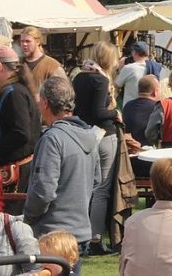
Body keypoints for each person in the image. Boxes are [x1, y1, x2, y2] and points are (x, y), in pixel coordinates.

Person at [24, 76, 100, 276]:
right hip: (80, 230)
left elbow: (44, 191)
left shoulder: (53, 138)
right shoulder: (89, 136)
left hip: (53, 235)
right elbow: (96, 180)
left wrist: (28, 219)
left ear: (45, 103)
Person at [0, 45, 41, 212]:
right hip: (9, 168)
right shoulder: (10, 91)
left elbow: (20, 134)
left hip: (15, 173)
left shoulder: (14, 94)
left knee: (9, 223)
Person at [71, 41, 120, 256]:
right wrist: (115, 113)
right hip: (104, 134)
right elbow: (100, 112)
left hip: (84, 134)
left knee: (85, 186)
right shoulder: (101, 80)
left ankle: (82, 235)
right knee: (100, 190)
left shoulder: (79, 77)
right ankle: (95, 239)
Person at [121, 75, 159, 178]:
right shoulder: (158, 107)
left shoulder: (127, 106)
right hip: (152, 162)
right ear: (155, 92)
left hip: (130, 162)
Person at [20, 26, 66, 98]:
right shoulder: (18, 65)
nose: (24, 44)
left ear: (38, 42)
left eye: (28, 41)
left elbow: (63, 95)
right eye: (22, 41)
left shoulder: (52, 66)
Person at [115, 41, 151, 108]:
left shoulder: (129, 68)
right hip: (147, 107)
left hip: (130, 107)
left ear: (135, 53)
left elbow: (117, 85)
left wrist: (120, 70)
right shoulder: (152, 67)